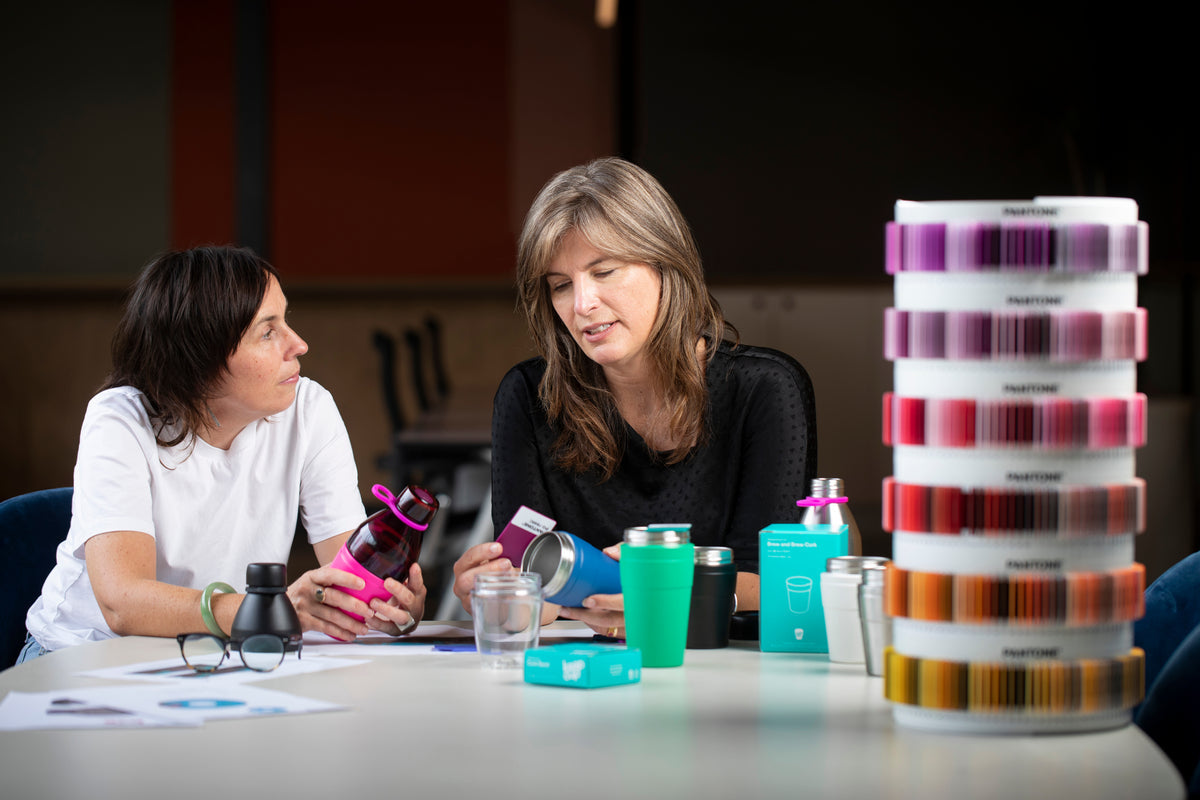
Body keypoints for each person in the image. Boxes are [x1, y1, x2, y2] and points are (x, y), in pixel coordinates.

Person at [452, 157, 816, 636]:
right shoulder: (528, 397)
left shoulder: (766, 390)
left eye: (604, 272)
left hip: (724, 669)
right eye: (561, 285)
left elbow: (776, 581)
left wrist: (665, 589)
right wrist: (495, 594)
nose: (581, 305)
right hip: (580, 675)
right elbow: (530, 593)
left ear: (666, 264)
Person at [20, 246, 425, 662]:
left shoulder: (309, 408)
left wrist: (386, 604)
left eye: (286, 320)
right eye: (268, 332)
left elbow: (348, 581)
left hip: (214, 654)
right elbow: (122, 603)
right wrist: (270, 610)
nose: (299, 344)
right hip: (83, 656)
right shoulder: (119, 420)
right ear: (198, 357)